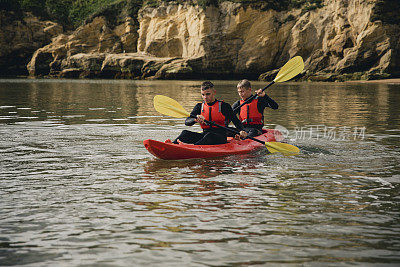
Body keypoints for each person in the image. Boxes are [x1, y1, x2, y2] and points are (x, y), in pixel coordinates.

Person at [171, 81, 247, 145]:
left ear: (214, 92)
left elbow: (236, 122)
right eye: (203, 94)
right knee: (185, 133)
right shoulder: (199, 106)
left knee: (210, 136)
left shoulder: (224, 106)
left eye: (208, 94)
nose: (205, 97)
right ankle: (171, 145)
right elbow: (187, 122)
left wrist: (241, 131)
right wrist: (195, 119)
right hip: (205, 135)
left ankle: (193, 147)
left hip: (220, 137)